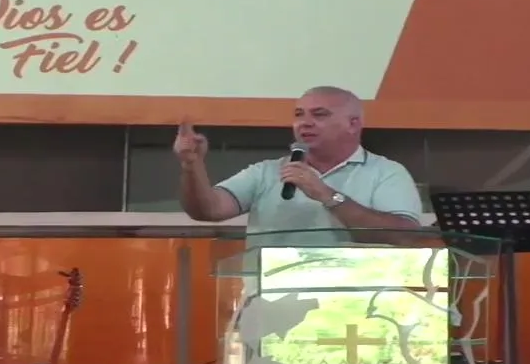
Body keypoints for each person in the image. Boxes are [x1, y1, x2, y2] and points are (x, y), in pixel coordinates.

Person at [175, 85, 423, 245]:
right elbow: (207, 210)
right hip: (272, 301)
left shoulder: (386, 173)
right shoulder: (266, 172)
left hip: (351, 304)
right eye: (299, 114)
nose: (305, 123)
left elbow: (405, 236)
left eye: (319, 114)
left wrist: (328, 196)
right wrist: (191, 166)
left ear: (353, 124)